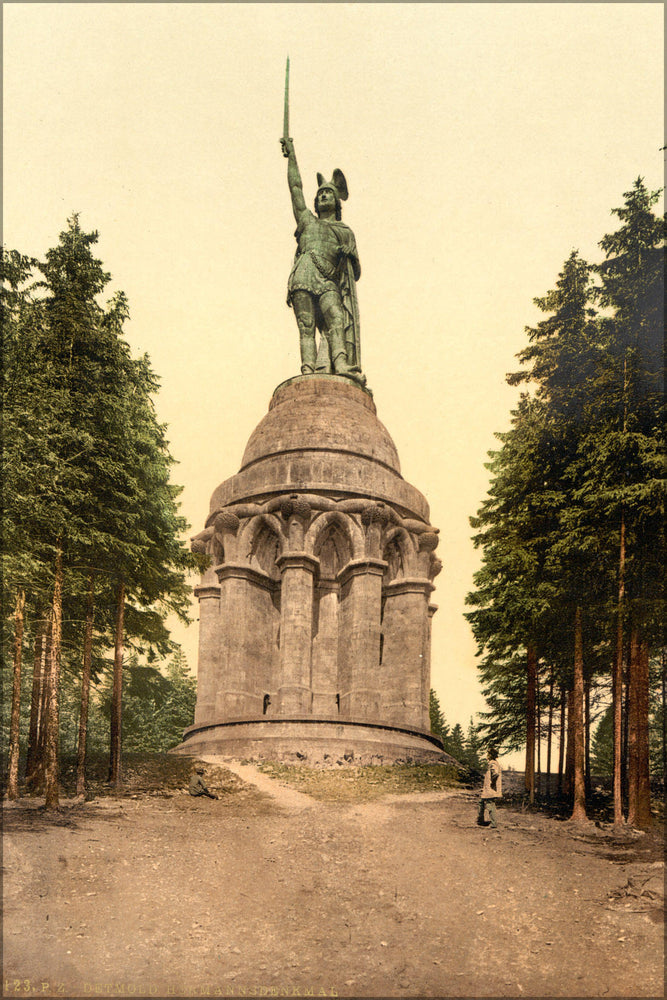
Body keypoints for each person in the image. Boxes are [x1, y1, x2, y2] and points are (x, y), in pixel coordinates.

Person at [280, 137, 365, 386]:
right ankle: (308, 370)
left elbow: (355, 272)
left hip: (328, 280)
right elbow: (296, 188)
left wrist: (348, 255)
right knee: (306, 325)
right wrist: (292, 156)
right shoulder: (307, 221)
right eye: (320, 194)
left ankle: (340, 364)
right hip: (304, 274)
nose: (323, 195)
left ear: (337, 202)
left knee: (336, 317)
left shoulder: (345, 231)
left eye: (328, 193)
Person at [477, 747, 502, 829]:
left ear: (491, 755)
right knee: (481, 802)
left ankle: (493, 823)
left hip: (491, 788)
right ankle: (480, 821)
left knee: (490, 804)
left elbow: (496, 773)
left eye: (488, 754)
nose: (487, 756)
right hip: (488, 788)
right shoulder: (492, 763)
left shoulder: (493, 763)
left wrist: (492, 783)